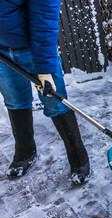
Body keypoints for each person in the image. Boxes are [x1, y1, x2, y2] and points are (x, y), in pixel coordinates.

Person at [0, 1, 90, 184]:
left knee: (55, 102)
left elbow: (44, 17)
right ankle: (25, 153)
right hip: (1, 53)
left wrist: (44, 69)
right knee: (15, 101)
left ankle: (78, 156)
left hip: (34, 50)